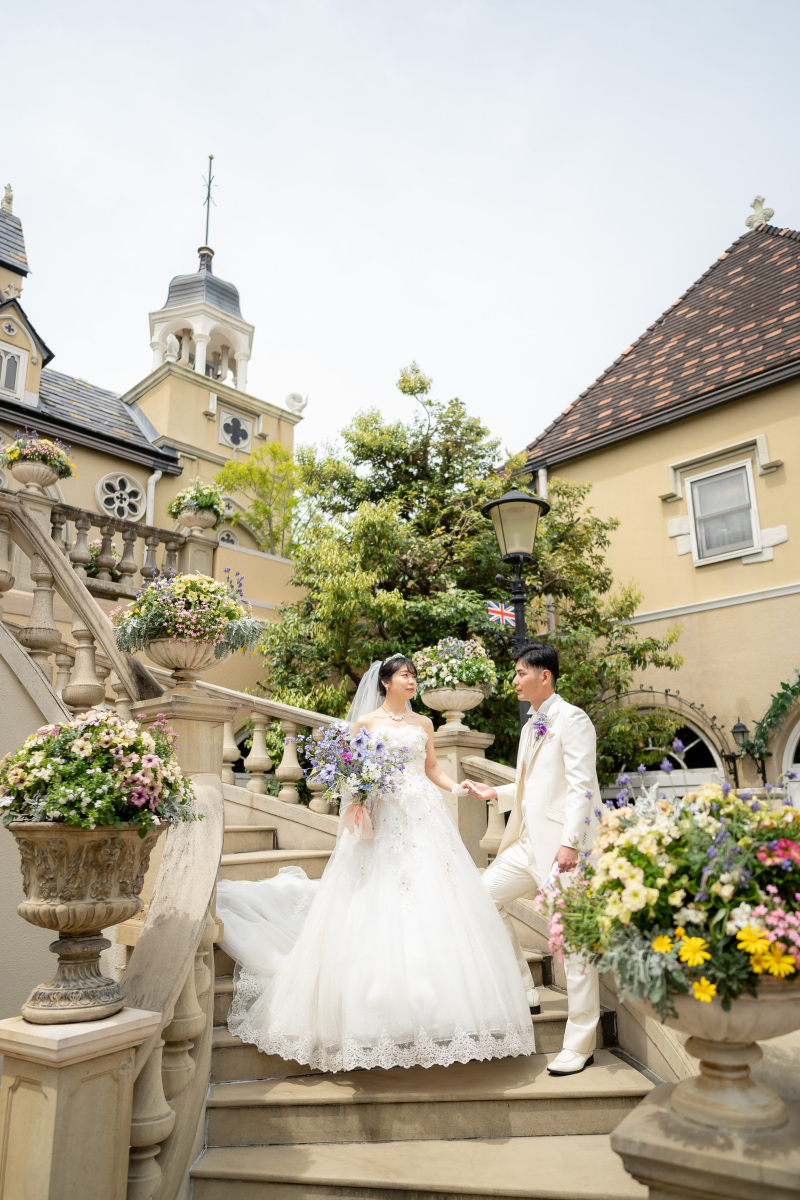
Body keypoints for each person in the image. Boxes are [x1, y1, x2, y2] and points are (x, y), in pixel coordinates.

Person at [215, 654, 536, 1073]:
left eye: (414, 676)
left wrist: (457, 787)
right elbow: (352, 774)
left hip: (422, 816)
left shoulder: (424, 726)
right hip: (383, 819)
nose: (412, 681)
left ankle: (441, 1011)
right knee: (377, 896)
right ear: (385, 682)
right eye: (406, 676)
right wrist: (361, 799)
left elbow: (432, 768)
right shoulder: (365, 723)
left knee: (433, 895)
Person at [464, 642, 601, 1077]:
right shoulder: (529, 728)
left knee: (575, 944)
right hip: (525, 845)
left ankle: (580, 1044)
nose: (515, 679)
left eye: (521, 672)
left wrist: (572, 843)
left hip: (563, 850)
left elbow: (581, 785)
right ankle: (525, 989)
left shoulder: (573, 719)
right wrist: (496, 794)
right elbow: (531, 785)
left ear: (545, 676)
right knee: (478, 899)